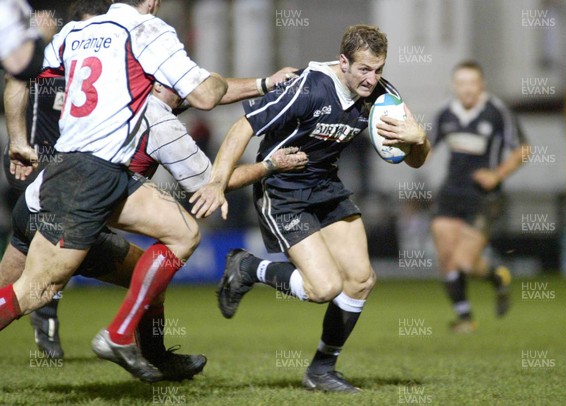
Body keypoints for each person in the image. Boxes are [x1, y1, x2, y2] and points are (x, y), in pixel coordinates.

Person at [0, 0, 292, 383]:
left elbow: (18, 75)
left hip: (54, 186)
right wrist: (268, 162)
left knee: (163, 257)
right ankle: (120, 336)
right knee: (35, 291)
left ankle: (150, 352)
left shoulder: (77, 34)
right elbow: (205, 96)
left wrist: (18, 140)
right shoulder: (145, 38)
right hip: (82, 189)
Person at [190, 24, 431, 393]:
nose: (372, 79)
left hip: (327, 188)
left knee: (361, 280)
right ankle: (248, 267)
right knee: (324, 288)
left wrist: (420, 139)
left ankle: (321, 370)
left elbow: (414, 160)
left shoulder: (383, 97)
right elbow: (242, 127)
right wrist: (216, 182)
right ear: (343, 62)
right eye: (364, 69)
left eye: (379, 69)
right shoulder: (308, 87)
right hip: (283, 190)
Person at [2, 0, 114, 360]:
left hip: (74, 165)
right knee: (50, 242)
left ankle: (41, 315)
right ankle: (46, 319)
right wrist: (18, 141)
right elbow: (15, 76)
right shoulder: (50, 37)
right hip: (33, 160)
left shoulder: (100, 43)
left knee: (21, 258)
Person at [429, 60, 529, 333]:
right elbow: (426, 148)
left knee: (464, 262)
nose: (467, 89)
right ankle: (465, 319)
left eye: (472, 83)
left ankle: (497, 276)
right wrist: (398, 145)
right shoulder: (445, 113)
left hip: (484, 198)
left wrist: (497, 174)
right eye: (461, 83)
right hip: (450, 194)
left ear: (481, 84)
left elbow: (523, 149)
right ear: (454, 86)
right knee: (447, 258)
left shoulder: (496, 111)